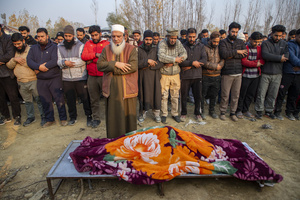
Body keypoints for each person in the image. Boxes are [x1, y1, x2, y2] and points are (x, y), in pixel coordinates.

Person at [97, 24, 138, 138]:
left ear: (124, 36)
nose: (115, 39)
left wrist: (112, 70)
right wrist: (115, 64)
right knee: (114, 117)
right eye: (113, 36)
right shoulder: (106, 49)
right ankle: (114, 141)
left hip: (128, 89)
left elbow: (133, 67)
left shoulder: (131, 49)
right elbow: (100, 65)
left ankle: (129, 142)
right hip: (112, 89)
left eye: (118, 36)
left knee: (128, 117)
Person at [27, 28, 68, 128]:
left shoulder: (54, 47)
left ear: (47, 36)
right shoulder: (33, 48)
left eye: (42, 36)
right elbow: (29, 61)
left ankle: (63, 118)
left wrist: (44, 66)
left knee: (59, 99)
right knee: (45, 100)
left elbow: (55, 60)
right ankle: (50, 119)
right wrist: (38, 67)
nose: (40, 39)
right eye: (38, 37)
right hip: (41, 79)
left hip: (54, 78)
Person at [6, 33, 45, 126]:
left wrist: (24, 61)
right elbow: (9, 66)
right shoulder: (14, 52)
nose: (17, 46)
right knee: (27, 101)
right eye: (15, 44)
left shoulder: (32, 50)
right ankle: (31, 117)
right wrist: (14, 60)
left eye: (19, 44)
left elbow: (37, 64)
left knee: (39, 99)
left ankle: (44, 117)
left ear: (23, 41)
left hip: (33, 80)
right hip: (21, 81)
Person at [57, 25, 92, 126]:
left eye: (69, 36)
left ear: (73, 35)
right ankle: (73, 117)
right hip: (67, 78)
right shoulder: (59, 47)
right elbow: (58, 61)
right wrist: (64, 63)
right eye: (66, 36)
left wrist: (69, 63)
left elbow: (82, 60)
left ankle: (89, 116)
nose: (67, 38)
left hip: (80, 77)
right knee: (70, 99)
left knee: (85, 98)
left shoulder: (80, 45)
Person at [255, 25, 289, 119]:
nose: (278, 38)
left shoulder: (284, 44)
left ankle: (269, 111)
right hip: (266, 72)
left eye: (280, 36)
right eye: (276, 35)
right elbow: (265, 55)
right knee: (261, 93)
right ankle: (259, 110)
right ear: (272, 33)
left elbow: (286, 56)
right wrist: (279, 58)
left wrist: (274, 57)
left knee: (273, 94)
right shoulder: (265, 43)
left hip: (277, 73)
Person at [81, 25, 110, 128]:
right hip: (92, 76)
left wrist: (91, 59)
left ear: (100, 34)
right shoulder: (88, 44)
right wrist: (96, 55)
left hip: (104, 75)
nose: (94, 37)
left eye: (96, 35)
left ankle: (110, 117)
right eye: (92, 35)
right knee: (94, 99)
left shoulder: (107, 44)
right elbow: (84, 56)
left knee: (108, 97)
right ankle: (96, 118)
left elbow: (107, 58)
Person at [219, 22, 247, 122]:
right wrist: (237, 52)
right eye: (233, 31)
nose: (234, 34)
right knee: (225, 94)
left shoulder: (240, 42)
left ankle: (233, 113)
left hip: (238, 72)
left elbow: (244, 54)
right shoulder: (223, 42)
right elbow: (223, 54)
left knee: (236, 95)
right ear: (228, 31)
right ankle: (222, 112)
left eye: (236, 32)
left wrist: (233, 54)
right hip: (227, 72)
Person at [158, 28, 187, 123]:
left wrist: (175, 61)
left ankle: (175, 113)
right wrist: (174, 60)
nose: (173, 40)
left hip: (175, 74)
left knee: (175, 95)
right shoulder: (162, 43)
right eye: (171, 38)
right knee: (164, 95)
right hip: (164, 74)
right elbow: (161, 56)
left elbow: (184, 54)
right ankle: (164, 114)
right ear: (167, 37)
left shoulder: (178, 43)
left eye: (175, 38)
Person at [179, 28, 207, 122]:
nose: (191, 39)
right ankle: (183, 113)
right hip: (185, 76)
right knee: (183, 96)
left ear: (196, 36)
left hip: (197, 75)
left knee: (198, 96)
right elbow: (181, 62)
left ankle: (197, 113)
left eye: (193, 37)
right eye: (190, 37)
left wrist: (191, 65)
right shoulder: (182, 46)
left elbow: (204, 60)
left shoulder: (201, 46)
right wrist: (192, 63)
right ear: (186, 36)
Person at [236, 32, 264, 119]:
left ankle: (246, 110)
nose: (257, 44)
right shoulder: (245, 47)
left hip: (255, 75)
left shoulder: (260, 49)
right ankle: (239, 110)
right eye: (255, 41)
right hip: (245, 75)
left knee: (250, 94)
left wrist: (253, 63)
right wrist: (256, 63)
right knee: (242, 94)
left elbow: (262, 61)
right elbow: (244, 61)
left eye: (259, 42)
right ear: (250, 39)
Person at [138, 30, 163, 123]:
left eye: (150, 39)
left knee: (155, 94)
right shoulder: (138, 49)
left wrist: (152, 65)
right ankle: (142, 113)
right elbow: (136, 63)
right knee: (143, 94)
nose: (148, 41)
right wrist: (147, 62)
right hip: (143, 76)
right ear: (143, 39)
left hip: (154, 76)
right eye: (146, 39)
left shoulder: (157, 49)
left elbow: (161, 62)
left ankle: (156, 114)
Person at [274, 29, 300, 120]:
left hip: (298, 74)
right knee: (282, 93)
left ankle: (290, 112)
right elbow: (292, 59)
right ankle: (277, 111)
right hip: (288, 72)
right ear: (296, 36)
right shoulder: (289, 45)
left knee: (294, 94)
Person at [0, 24, 21, 126]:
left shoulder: (8, 39)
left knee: (13, 97)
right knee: (0, 98)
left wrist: (2, 60)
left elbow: (9, 55)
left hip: (8, 73)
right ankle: (5, 116)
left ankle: (17, 116)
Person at [202, 31, 224, 119]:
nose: (216, 43)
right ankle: (202, 111)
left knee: (214, 95)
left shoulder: (220, 48)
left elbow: (223, 59)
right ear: (210, 40)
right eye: (214, 41)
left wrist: (220, 66)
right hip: (206, 75)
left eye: (217, 42)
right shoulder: (204, 48)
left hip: (217, 76)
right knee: (203, 95)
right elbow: (203, 61)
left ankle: (212, 111)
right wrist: (215, 66)